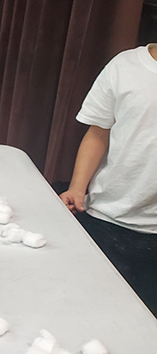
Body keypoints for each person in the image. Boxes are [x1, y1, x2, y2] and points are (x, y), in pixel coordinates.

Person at [59, 43, 157, 314]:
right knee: (86, 307)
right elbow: (98, 132)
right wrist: (78, 187)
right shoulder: (125, 66)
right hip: (104, 216)